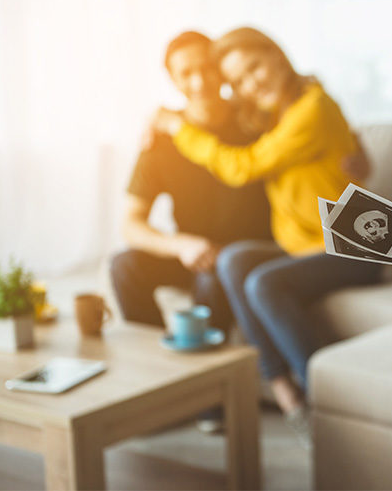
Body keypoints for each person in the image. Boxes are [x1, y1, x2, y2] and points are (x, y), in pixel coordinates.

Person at [150, 27, 382, 444]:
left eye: (253, 67)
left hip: (352, 245)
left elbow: (242, 166)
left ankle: (327, 406)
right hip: (303, 244)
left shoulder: (312, 108)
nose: (249, 84)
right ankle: (283, 389)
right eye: (238, 80)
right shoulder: (275, 113)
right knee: (232, 259)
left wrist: (179, 129)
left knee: (263, 281)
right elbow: (222, 118)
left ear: (277, 56)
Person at [110, 30, 272, 334]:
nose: (200, 82)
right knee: (123, 265)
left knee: (213, 276)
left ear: (221, 67)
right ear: (172, 79)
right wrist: (180, 245)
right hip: (195, 253)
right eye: (186, 73)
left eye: (207, 67)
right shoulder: (162, 139)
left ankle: (210, 371)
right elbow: (130, 223)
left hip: (246, 255)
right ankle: (156, 362)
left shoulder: (253, 118)